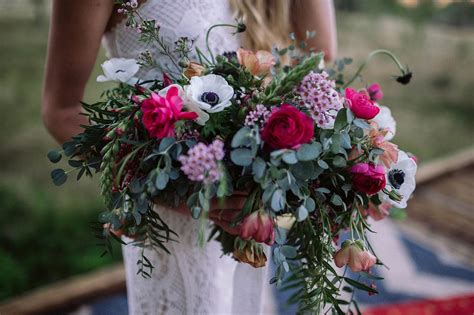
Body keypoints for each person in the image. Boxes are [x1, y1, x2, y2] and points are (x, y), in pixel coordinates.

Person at [42, 0, 337, 313]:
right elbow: (61, 111)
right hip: (169, 225)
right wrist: (173, 191)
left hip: (254, 225)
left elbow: (321, 63)